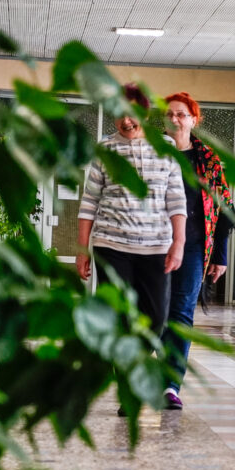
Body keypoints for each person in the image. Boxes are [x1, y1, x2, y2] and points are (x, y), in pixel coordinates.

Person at [76, 84, 187, 413]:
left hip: (155, 246)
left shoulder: (165, 148)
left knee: (156, 318)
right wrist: (82, 249)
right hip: (111, 245)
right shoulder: (105, 149)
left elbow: (176, 198)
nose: (126, 121)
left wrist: (179, 242)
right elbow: (89, 202)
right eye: (119, 115)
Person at [159, 91, 232, 410]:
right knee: (153, 313)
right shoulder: (152, 153)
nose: (175, 119)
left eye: (181, 114)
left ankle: (170, 385)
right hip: (151, 245)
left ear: (193, 120)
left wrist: (220, 256)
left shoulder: (208, 160)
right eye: (169, 114)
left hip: (192, 248)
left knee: (181, 313)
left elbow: (224, 208)